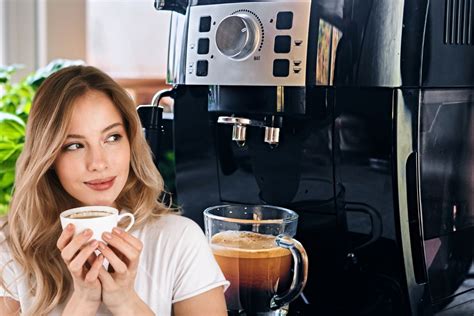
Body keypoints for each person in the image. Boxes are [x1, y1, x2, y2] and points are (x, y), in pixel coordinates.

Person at [0, 65, 229, 316]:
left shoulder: (179, 240)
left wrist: (124, 301)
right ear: (49, 157)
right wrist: (83, 301)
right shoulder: (10, 248)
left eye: (112, 138)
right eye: (75, 145)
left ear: (131, 140)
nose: (98, 163)